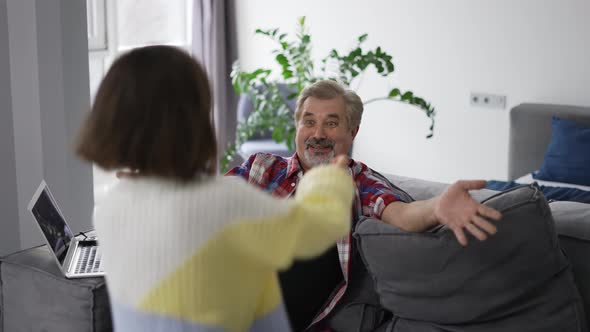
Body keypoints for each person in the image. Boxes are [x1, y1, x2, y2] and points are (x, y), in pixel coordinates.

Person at [75, 45, 356, 332]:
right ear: (193, 118)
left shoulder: (110, 207)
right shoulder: (223, 201)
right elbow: (315, 227)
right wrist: (328, 178)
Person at [226, 79, 503, 331]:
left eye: (331, 123)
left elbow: (402, 214)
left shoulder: (360, 184)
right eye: (308, 122)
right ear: (297, 127)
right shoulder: (260, 167)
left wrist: (437, 206)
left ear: (353, 131)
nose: (318, 133)